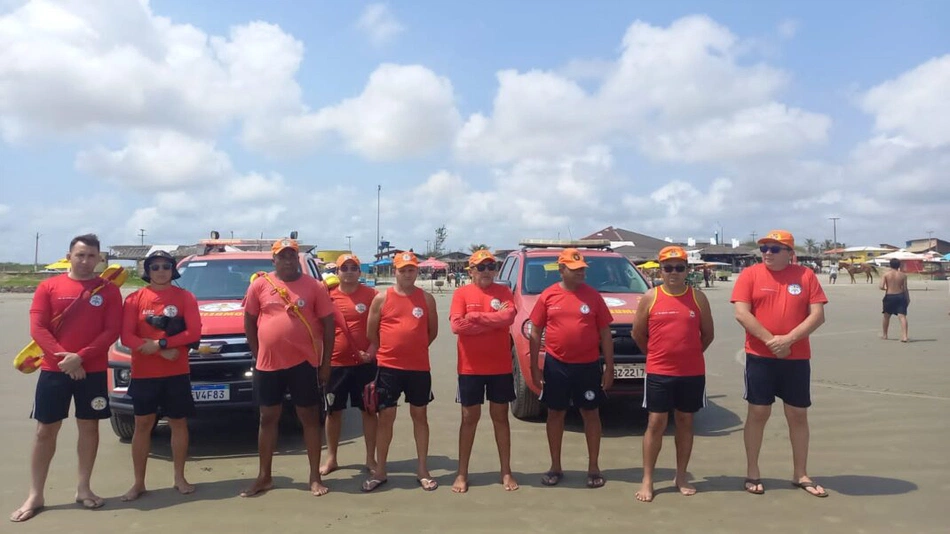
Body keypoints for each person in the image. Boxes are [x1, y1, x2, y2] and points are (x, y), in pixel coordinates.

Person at [11, 234, 122, 523]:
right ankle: (36, 493)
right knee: (45, 431)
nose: (85, 261)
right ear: (69, 256)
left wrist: (81, 357)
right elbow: (38, 329)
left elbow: (111, 331)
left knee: (90, 428)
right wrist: (66, 359)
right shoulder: (49, 286)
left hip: (93, 370)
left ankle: (84, 488)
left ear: (100, 259)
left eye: (91, 256)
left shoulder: (108, 290)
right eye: (80, 255)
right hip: (53, 371)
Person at [731, 230, 829, 498]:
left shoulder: (805, 276)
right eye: (764, 249)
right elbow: (741, 312)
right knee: (758, 413)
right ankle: (752, 471)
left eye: (775, 249)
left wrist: (789, 340)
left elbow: (818, 315)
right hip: (760, 358)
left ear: (789, 252)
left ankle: (801, 473)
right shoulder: (750, 275)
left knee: (798, 415)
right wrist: (772, 341)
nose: (767, 253)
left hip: (796, 359)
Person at [241, 238, 335, 497]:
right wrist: (257, 352)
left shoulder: (314, 286)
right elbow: (249, 319)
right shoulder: (260, 284)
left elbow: (329, 326)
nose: (287, 260)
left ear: (297, 259)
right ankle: (264, 476)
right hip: (268, 365)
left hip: (305, 363)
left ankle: (315, 477)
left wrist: (326, 363)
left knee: (309, 419)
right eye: (282, 256)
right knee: (267, 418)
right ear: (274, 261)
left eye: (291, 256)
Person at [632, 246, 714, 502]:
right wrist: (656, 355)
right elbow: (638, 334)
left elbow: (708, 334)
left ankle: (681, 475)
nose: (674, 273)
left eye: (679, 267)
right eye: (668, 268)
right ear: (660, 270)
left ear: (687, 270)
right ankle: (648, 479)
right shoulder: (650, 297)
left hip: (691, 373)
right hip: (659, 372)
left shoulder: (698, 297)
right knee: (655, 423)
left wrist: (689, 354)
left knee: (685, 422)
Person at [119, 250, 202, 501]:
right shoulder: (134, 299)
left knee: (178, 423)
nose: (160, 271)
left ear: (173, 269)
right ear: (147, 271)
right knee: (142, 425)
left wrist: (161, 345)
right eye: (154, 267)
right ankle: (138, 483)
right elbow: (127, 337)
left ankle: (179, 477)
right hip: (144, 374)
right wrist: (159, 351)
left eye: (165, 266)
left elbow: (194, 333)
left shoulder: (185, 297)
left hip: (176, 373)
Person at [529, 248, 614, 489]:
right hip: (557, 366)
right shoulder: (548, 296)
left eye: (582, 269)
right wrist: (536, 366)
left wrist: (609, 366)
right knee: (555, 414)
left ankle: (594, 467)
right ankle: (555, 466)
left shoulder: (593, 296)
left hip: (588, 366)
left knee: (591, 414)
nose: (581, 274)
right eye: (575, 270)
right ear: (562, 269)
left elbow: (605, 332)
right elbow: (535, 332)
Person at [362, 251, 439, 492]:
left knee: (420, 417)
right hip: (388, 367)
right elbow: (371, 333)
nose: (408, 274)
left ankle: (423, 469)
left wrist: (414, 348)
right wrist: (391, 348)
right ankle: (381, 470)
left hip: (418, 368)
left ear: (417, 271)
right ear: (395, 272)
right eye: (403, 270)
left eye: (411, 270)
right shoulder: (381, 299)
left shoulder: (426, 299)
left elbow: (432, 332)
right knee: (386, 419)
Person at [449, 249, 519, 493]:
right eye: (481, 267)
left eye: (491, 267)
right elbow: (457, 325)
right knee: (469, 419)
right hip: (470, 368)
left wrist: (477, 317)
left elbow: (509, 316)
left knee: (501, 418)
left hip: (499, 367)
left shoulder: (504, 292)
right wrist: (493, 321)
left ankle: (506, 471)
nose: (487, 271)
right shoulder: (461, 293)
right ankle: (462, 473)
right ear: (471, 271)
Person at [320, 254, 379, 476]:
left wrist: (372, 352)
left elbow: (381, 327)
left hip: (364, 364)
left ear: (360, 271)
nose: (349, 271)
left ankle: (370, 458)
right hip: (335, 363)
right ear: (337, 272)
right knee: (333, 412)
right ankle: (332, 458)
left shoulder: (372, 295)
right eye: (344, 268)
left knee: (369, 411)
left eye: (354, 267)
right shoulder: (327, 295)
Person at [880, 258, 910, 342]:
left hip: (889, 296)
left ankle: (885, 334)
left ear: (890, 265)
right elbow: (905, 288)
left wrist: (887, 288)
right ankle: (904, 336)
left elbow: (881, 286)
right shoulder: (903, 275)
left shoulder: (886, 274)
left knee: (886, 316)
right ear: (899, 265)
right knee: (902, 316)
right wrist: (908, 298)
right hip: (900, 296)